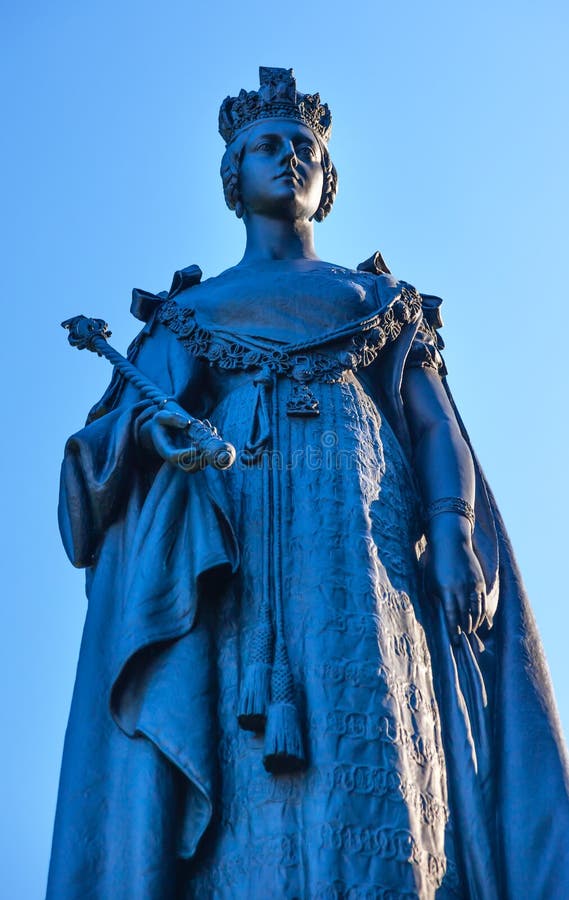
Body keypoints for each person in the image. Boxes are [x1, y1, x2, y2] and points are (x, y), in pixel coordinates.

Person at [47, 68, 569, 899]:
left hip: (368, 541)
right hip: (233, 545)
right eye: (265, 146)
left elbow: (432, 425)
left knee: (378, 727)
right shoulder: (193, 310)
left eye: (304, 148)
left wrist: (455, 529)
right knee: (240, 765)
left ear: (326, 182)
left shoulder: (376, 300)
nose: (287, 157)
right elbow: (125, 431)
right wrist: (158, 429)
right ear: (232, 179)